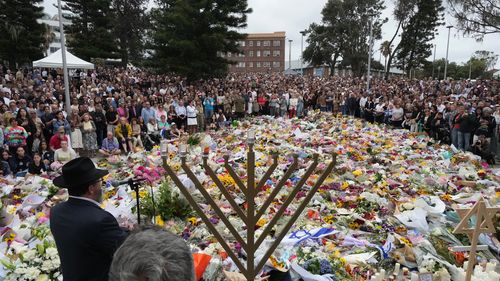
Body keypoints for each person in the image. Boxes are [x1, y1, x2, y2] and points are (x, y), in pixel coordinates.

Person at [51, 157, 129, 281]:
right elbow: (126, 249)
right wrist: (130, 230)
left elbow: (85, 235)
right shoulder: (100, 220)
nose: (102, 185)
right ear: (91, 188)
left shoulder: (56, 211)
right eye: (100, 181)